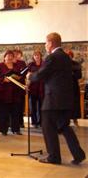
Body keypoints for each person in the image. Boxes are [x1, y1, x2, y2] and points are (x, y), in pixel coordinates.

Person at [27, 32, 85, 165]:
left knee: (48, 127)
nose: (45, 45)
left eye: (46, 43)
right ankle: (78, 154)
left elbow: (42, 74)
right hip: (65, 99)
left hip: (53, 99)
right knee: (64, 126)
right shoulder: (65, 56)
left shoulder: (52, 57)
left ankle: (54, 157)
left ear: (51, 43)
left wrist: (31, 76)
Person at [0, 50, 22, 136]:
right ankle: (4, 130)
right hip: (3, 93)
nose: (9, 57)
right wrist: (3, 80)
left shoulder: (16, 66)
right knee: (3, 113)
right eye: (8, 56)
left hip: (15, 93)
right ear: (4, 57)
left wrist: (19, 77)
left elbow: (20, 76)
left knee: (15, 112)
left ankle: (16, 129)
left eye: (11, 56)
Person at [65, 49, 82, 127]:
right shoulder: (63, 64)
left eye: (70, 56)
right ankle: (66, 121)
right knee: (66, 104)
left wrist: (71, 74)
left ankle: (75, 120)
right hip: (65, 87)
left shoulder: (76, 64)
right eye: (67, 56)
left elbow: (79, 75)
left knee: (75, 105)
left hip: (74, 87)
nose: (69, 57)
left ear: (72, 56)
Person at [28, 50, 44, 128]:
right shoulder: (30, 65)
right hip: (33, 88)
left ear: (41, 56)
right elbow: (26, 75)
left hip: (42, 88)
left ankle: (40, 121)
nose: (37, 56)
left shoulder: (44, 64)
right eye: (35, 55)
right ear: (33, 57)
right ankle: (34, 122)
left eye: (38, 55)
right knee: (32, 106)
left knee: (41, 106)